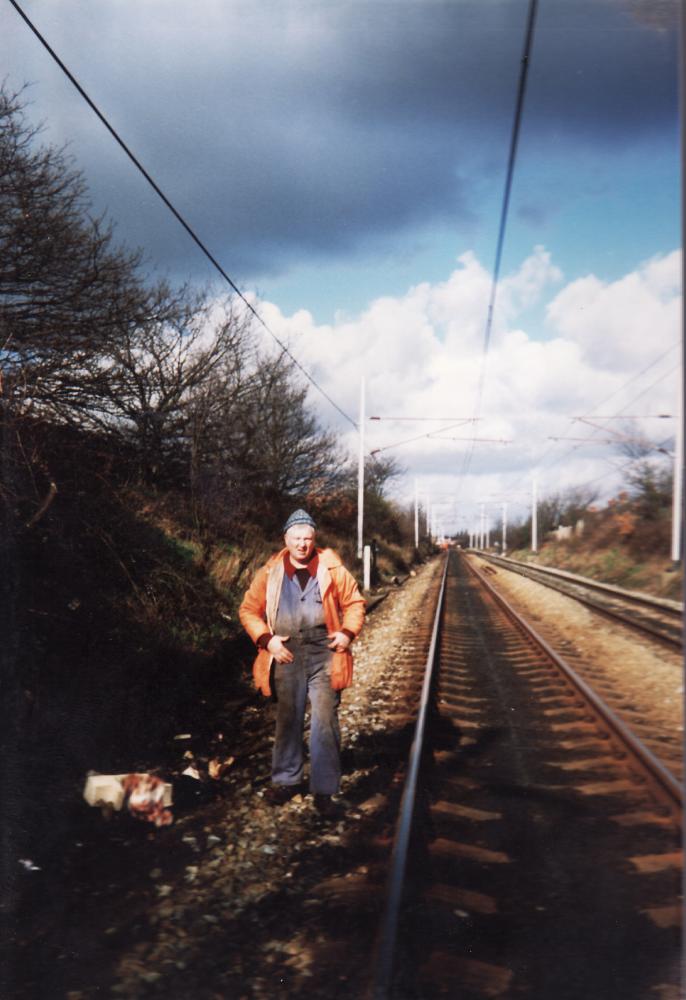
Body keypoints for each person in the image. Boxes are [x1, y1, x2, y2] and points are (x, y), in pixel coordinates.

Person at [239, 510, 365, 815]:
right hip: (286, 652)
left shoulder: (332, 567)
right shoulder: (270, 572)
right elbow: (248, 610)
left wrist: (347, 634)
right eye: (296, 538)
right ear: (286, 539)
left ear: (314, 539)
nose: (302, 544)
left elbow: (355, 603)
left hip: (326, 651)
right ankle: (286, 781)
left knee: (325, 721)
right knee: (287, 719)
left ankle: (325, 790)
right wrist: (267, 640)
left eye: (308, 538)